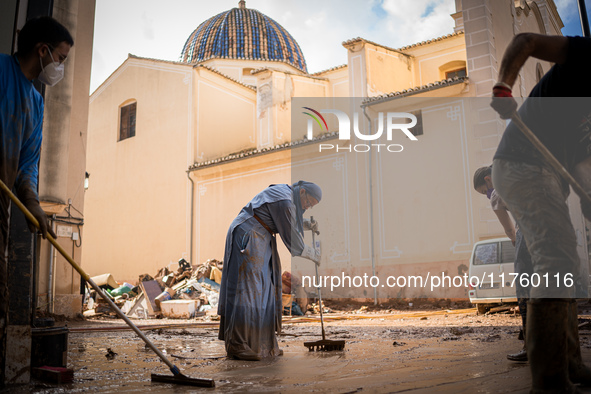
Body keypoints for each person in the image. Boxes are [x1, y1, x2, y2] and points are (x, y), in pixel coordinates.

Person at [490, 33, 591, 391]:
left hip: (549, 175)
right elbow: (525, 40)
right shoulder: (584, 53)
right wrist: (503, 85)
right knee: (556, 260)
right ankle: (549, 381)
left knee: (565, 263)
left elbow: (582, 160)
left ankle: (570, 364)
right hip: (521, 163)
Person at [0, 16, 71, 385]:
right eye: (60, 58)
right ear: (42, 50)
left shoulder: (36, 104)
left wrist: (33, 204)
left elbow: (26, 168)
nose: (59, 67)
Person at [218, 181, 322, 360]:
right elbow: (295, 242)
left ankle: (263, 345)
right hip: (248, 235)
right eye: (309, 203)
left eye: (311, 206)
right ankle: (239, 345)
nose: (308, 207)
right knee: (248, 290)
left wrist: (306, 224)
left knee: (266, 290)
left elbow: (289, 217)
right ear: (302, 192)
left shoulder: (289, 197)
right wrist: (314, 254)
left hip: (261, 237)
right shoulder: (284, 199)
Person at [473, 166, 532, 362]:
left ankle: (530, 346)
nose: (486, 195)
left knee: (524, 291)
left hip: (528, 231)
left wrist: (516, 239)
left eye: (484, 191)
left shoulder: (497, 193)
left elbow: (509, 230)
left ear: (489, 180)